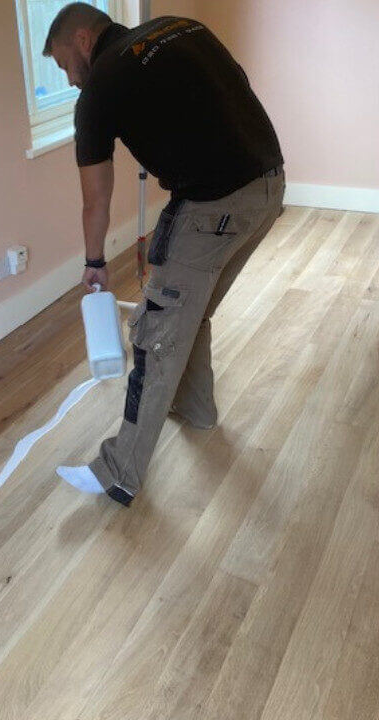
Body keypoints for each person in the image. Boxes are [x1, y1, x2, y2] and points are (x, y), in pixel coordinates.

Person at [43, 3, 284, 506]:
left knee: (156, 333)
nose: (69, 80)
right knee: (188, 312)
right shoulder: (181, 27)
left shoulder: (99, 88)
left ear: (84, 40)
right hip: (269, 185)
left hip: (213, 205)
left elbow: (96, 199)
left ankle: (119, 472)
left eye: (65, 64)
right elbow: (232, 90)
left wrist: (94, 263)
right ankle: (193, 408)